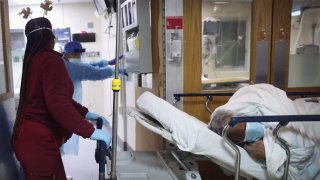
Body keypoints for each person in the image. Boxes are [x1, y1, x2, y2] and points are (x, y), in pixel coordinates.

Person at [11, 17, 111, 180]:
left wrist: (85, 113)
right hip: (39, 143)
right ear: (50, 38)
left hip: (29, 140)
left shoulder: (34, 61)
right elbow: (59, 106)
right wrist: (91, 131)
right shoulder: (50, 60)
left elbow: (58, 98)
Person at [208, 84, 320, 179]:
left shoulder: (246, 106)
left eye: (246, 124)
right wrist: (269, 154)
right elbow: (297, 158)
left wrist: (267, 154)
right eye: (245, 134)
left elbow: (261, 94)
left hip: (303, 111)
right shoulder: (236, 140)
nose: (251, 129)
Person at [60, 41, 124, 155]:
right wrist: (114, 71)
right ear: (69, 54)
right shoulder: (71, 67)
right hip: (65, 107)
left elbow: (86, 66)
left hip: (69, 105)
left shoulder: (63, 62)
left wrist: (106, 63)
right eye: (77, 55)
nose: (79, 57)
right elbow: (95, 73)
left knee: (61, 140)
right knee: (61, 140)